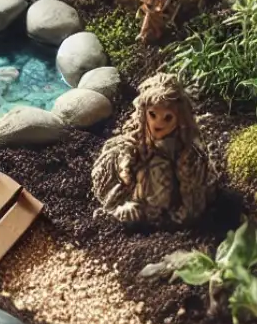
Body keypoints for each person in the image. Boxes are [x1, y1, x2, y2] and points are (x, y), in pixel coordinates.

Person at [92, 72, 216, 226]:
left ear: (179, 118)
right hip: (139, 195)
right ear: (144, 114)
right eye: (153, 115)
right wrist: (127, 166)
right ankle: (132, 212)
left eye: (167, 118)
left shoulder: (186, 147)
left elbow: (193, 183)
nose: (159, 123)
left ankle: (163, 217)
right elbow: (124, 168)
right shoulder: (133, 142)